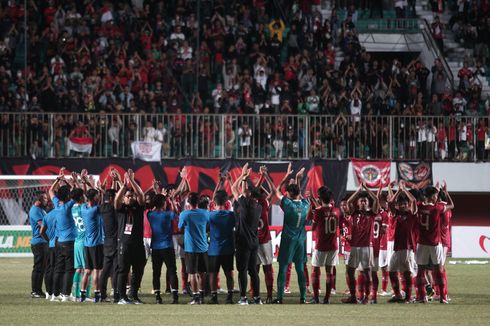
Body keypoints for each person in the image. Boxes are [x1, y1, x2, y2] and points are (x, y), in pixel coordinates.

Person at [267, 167, 309, 304]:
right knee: (300, 268)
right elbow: (300, 196)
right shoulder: (306, 204)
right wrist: (297, 178)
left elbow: (276, 191)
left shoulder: (288, 204)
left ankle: (279, 298)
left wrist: (281, 176)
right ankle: (303, 298)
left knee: (283, 267)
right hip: (301, 239)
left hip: (288, 239)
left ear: (289, 193)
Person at [415, 183, 454, 304]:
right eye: (435, 195)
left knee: (420, 271)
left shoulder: (419, 206)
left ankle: (422, 297)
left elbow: (415, 203)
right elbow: (451, 205)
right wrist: (446, 193)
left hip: (421, 243)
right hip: (435, 243)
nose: (436, 197)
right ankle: (442, 297)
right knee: (438, 270)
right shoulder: (437, 208)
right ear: (431, 196)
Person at [342, 183, 380, 304]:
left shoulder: (372, 213)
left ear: (368, 203)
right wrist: (358, 191)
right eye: (361, 201)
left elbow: (376, 199)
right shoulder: (354, 213)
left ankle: (366, 298)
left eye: (365, 201)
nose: (363, 203)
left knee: (367, 272)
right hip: (354, 247)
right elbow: (348, 202)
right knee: (350, 271)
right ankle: (353, 297)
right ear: (358, 203)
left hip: (366, 247)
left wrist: (367, 189)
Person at [231, 163, 262, 305]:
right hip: (254, 242)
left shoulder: (245, 205)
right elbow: (242, 192)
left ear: (250, 195)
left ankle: (243, 298)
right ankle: (257, 298)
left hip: (243, 242)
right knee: (253, 271)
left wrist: (243, 176)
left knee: (242, 271)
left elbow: (233, 188)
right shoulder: (258, 206)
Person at [114, 169, 146, 304]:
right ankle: (122, 297)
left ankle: (133, 294)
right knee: (123, 270)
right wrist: (124, 185)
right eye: (128, 196)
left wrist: (131, 180)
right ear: (124, 198)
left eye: (132, 196)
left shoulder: (138, 207)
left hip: (138, 244)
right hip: (124, 244)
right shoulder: (121, 209)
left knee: (138, 270)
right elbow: (116, 199)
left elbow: (141, 195)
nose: (131, 197)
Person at [387, 182, 418, 303]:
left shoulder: (411, 214)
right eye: (401, 204)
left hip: (408, 247)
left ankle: (409, 297)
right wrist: (398, 191)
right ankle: (398, 295)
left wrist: (404, 190)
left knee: (407, 273)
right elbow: (390, 203)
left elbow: (414, 200)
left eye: (405, 203)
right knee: (392, 271)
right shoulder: (396, 214)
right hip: (397, 248)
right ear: (398, 205)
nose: (404, 205)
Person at [308, 186, 340, 304]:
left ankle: (316, 298)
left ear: (320, 198)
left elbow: (312, 228)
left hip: (321, 245)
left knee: (315, 270)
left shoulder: (318, 211)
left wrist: (312, 201)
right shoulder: (336, 211)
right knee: (329, 271)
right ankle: (327, 298)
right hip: (333, 245)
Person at [49, 171, 76, 302]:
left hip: (59, 242)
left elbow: (50, 190)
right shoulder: (67, 206)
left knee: (58, 269)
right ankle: (66, 294)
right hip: (69, 242)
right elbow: (76, 194)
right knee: (69, 269)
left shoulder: (56, 204)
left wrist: (58, 179)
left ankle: (55, 294)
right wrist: (73, 182)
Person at [178, 192, 209, 305]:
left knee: (192, 274)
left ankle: (195, 297)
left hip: (191, 248)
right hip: (203, 247)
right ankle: (201, 296)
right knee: (201, 273)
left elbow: (180, 227)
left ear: (188, 202)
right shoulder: (205, 213)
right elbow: (208, 225)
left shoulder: (184, 214)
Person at [148, 193, 179, 304]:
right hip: (167, 247)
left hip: (156, 248)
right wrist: (172, 200)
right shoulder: (168, 214)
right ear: (164, 203)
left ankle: (157, 297)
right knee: (172, 271)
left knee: (156, 272)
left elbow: (152, 208)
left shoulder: (150, 215)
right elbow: (176, 213)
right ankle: (175, 297)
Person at [207, 190, 236, 304]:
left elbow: (206, 228)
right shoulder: (231, 215)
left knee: (213, 274)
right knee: (229, 274)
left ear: (214, 202)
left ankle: (214, 297)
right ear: (226, 202)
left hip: (214, 249)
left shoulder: (210, 215)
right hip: (228, 249)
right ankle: (230, 297)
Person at [80, 189, 105, 303]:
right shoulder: (96, 209)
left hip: (87, 244)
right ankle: (97, 294)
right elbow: (104, 204)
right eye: (97, 196)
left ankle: (83, 293)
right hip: (96, 244)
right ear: (94, 197)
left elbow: (87, 198)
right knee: (97, 270)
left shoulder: (83, 208)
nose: (99, 197)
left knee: (87, 271)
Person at [99, 188, 118, 302]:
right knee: (115, 270)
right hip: (115, 242)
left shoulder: (101, 208)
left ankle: (102, 295)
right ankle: (116, 295)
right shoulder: (113, 209)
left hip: (106, 242)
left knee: (105, 270)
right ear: (111, 198)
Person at [29, 191, 49, 298]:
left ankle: (39, 290)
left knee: (42, 267)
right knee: (38, 267)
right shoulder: (35, 210)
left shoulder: (41, 210)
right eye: (45, 199)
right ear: (39, 200)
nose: (47, 200)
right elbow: (42, 225)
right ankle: (35, 291)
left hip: (43, 242)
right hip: (38, 243)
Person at [71, 187, 88, 301]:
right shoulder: (83, 208)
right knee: (87, 270)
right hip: (84, 241)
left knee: (78, 269)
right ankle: (84, 295)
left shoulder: (72, 208)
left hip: (77, 241)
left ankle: (75, 294)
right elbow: (89, 201)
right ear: (81, 197)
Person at [40, 208, 57, 300]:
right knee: (58, 270)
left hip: (50, 245)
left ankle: (48, 292)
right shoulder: (61, 213)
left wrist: (49, 240)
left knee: (49, 269)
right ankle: (56, 292)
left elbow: (41, 231)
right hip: (60, 245)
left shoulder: (47, 216)